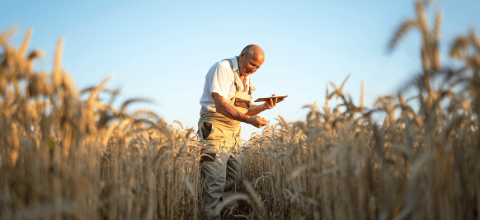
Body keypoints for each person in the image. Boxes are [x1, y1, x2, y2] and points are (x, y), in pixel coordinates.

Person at [197, 44, 284, 218]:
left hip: (234, 132)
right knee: (215, 182)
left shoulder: (247, 79)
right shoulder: (223, 68)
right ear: (243, 54)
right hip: (215, 128)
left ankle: (228, 216)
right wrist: (250, 121)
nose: (254, 70)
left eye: (258, 67)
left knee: (232, 181)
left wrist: (264, 107)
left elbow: (244, 111)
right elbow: (221, 105)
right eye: (252, 64)